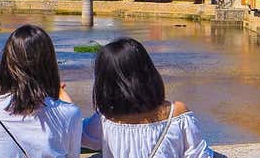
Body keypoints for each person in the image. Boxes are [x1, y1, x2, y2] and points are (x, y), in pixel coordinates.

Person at [82, 38, 213, 157]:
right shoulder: (177, 113)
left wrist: (63, 97)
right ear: (148, 71)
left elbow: (76, 133)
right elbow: (200, 154)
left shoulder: (104, 120)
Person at [0, 25, 82, 158]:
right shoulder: (71, 113)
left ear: (8, 64)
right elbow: (73, 155)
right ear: (50, 63)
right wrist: (64, 99)